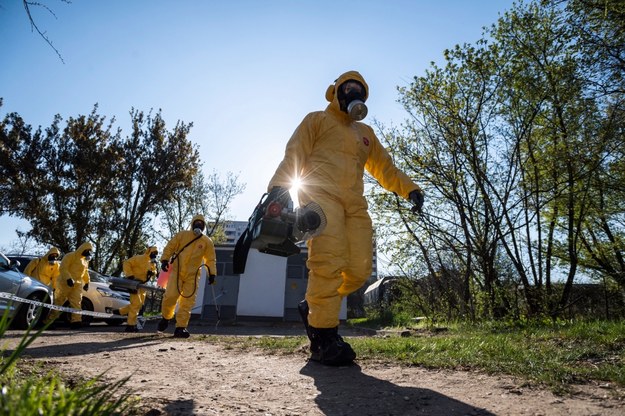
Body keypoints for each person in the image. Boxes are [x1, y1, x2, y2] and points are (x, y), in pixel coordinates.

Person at [267, 70, 424, 366]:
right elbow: (294, 154)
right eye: (349, 88)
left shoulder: (366, 135)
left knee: (360, 268)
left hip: (354, 204)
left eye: (360, 90)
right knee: (328, 262)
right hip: (319, 198)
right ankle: (323, 337)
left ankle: (313, 305)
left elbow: (386, 170)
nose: (355, 93)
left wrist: (410, 189)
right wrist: (279, 188)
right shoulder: (317, 120)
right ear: (336, 92)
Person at [157, 214, 217, 338]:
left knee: (187, 302)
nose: (199, 225)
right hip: (177, 272)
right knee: (170, 296)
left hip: (193, 275)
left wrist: (212, 273)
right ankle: (166, 317)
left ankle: (180, 327)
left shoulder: (207, 241)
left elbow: (210, 259)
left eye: (201, 223)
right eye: (197, 222)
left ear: (204, 226)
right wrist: (164, 260)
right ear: (192, 223)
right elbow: (170, 246)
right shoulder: (182, 235)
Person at [44, 242, 94, 329]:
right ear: (82, 248)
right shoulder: (70, 256)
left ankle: (76, 321)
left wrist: (87, 282)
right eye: (87, 250)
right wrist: (68, 278)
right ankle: (49, 321)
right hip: (64, 283)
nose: (88, 253)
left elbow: (85, 272)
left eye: (90, 251)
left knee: (77, 302)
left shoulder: (85, 261)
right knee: (58, 301)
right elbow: (63, 267)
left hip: (77, 284)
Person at [115, 245, 158, 333]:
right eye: (153, 253)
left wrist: (153, 272)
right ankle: (131, 325)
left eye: (156, 253)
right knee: (136, 304)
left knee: (139, 304)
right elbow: (126, 263)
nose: (155, 255)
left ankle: (120, 311)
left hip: (143, 285)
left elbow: (155, 271)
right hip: (133, 283)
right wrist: (130, 275)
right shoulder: (139, 258)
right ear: (149, 251)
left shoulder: (152, 263)